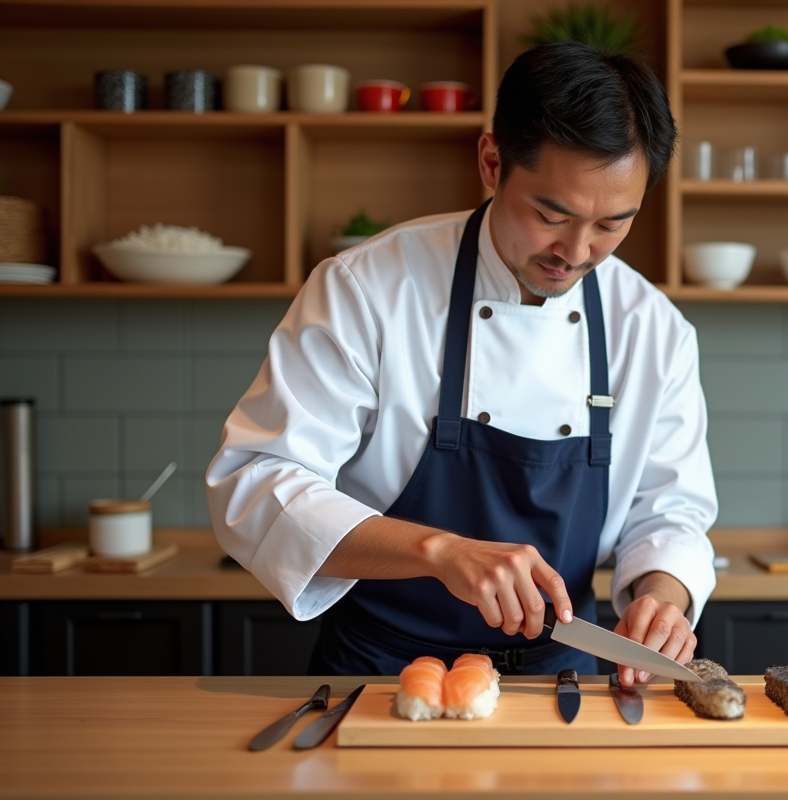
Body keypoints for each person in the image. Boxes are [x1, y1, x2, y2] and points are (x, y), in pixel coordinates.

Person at [206, 42, 717, 685]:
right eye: (550, 215)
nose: (578, 251)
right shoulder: (367, 289)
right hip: (383, 673)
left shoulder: (652, 327)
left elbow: (672, 510)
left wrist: (663, 598)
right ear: (491, 161)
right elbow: (257, 480)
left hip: (565, 680)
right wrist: (439, 550)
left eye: (613, 225)